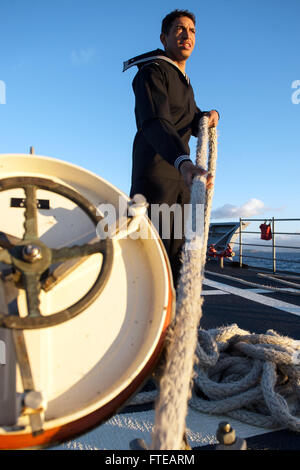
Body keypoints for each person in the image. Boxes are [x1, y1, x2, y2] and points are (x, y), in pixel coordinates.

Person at [124, 9, 219, 288]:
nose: (186, 35)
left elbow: (187, 117)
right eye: (179, 29)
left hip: (182, 177)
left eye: (191, 30)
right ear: (164, 37)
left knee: (180, 258)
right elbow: (155, 122)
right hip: (157, 179)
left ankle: (177, 328)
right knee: (154, 260)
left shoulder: (184, 82)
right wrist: (184, 162)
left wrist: (207, 117)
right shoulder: (152, 72)